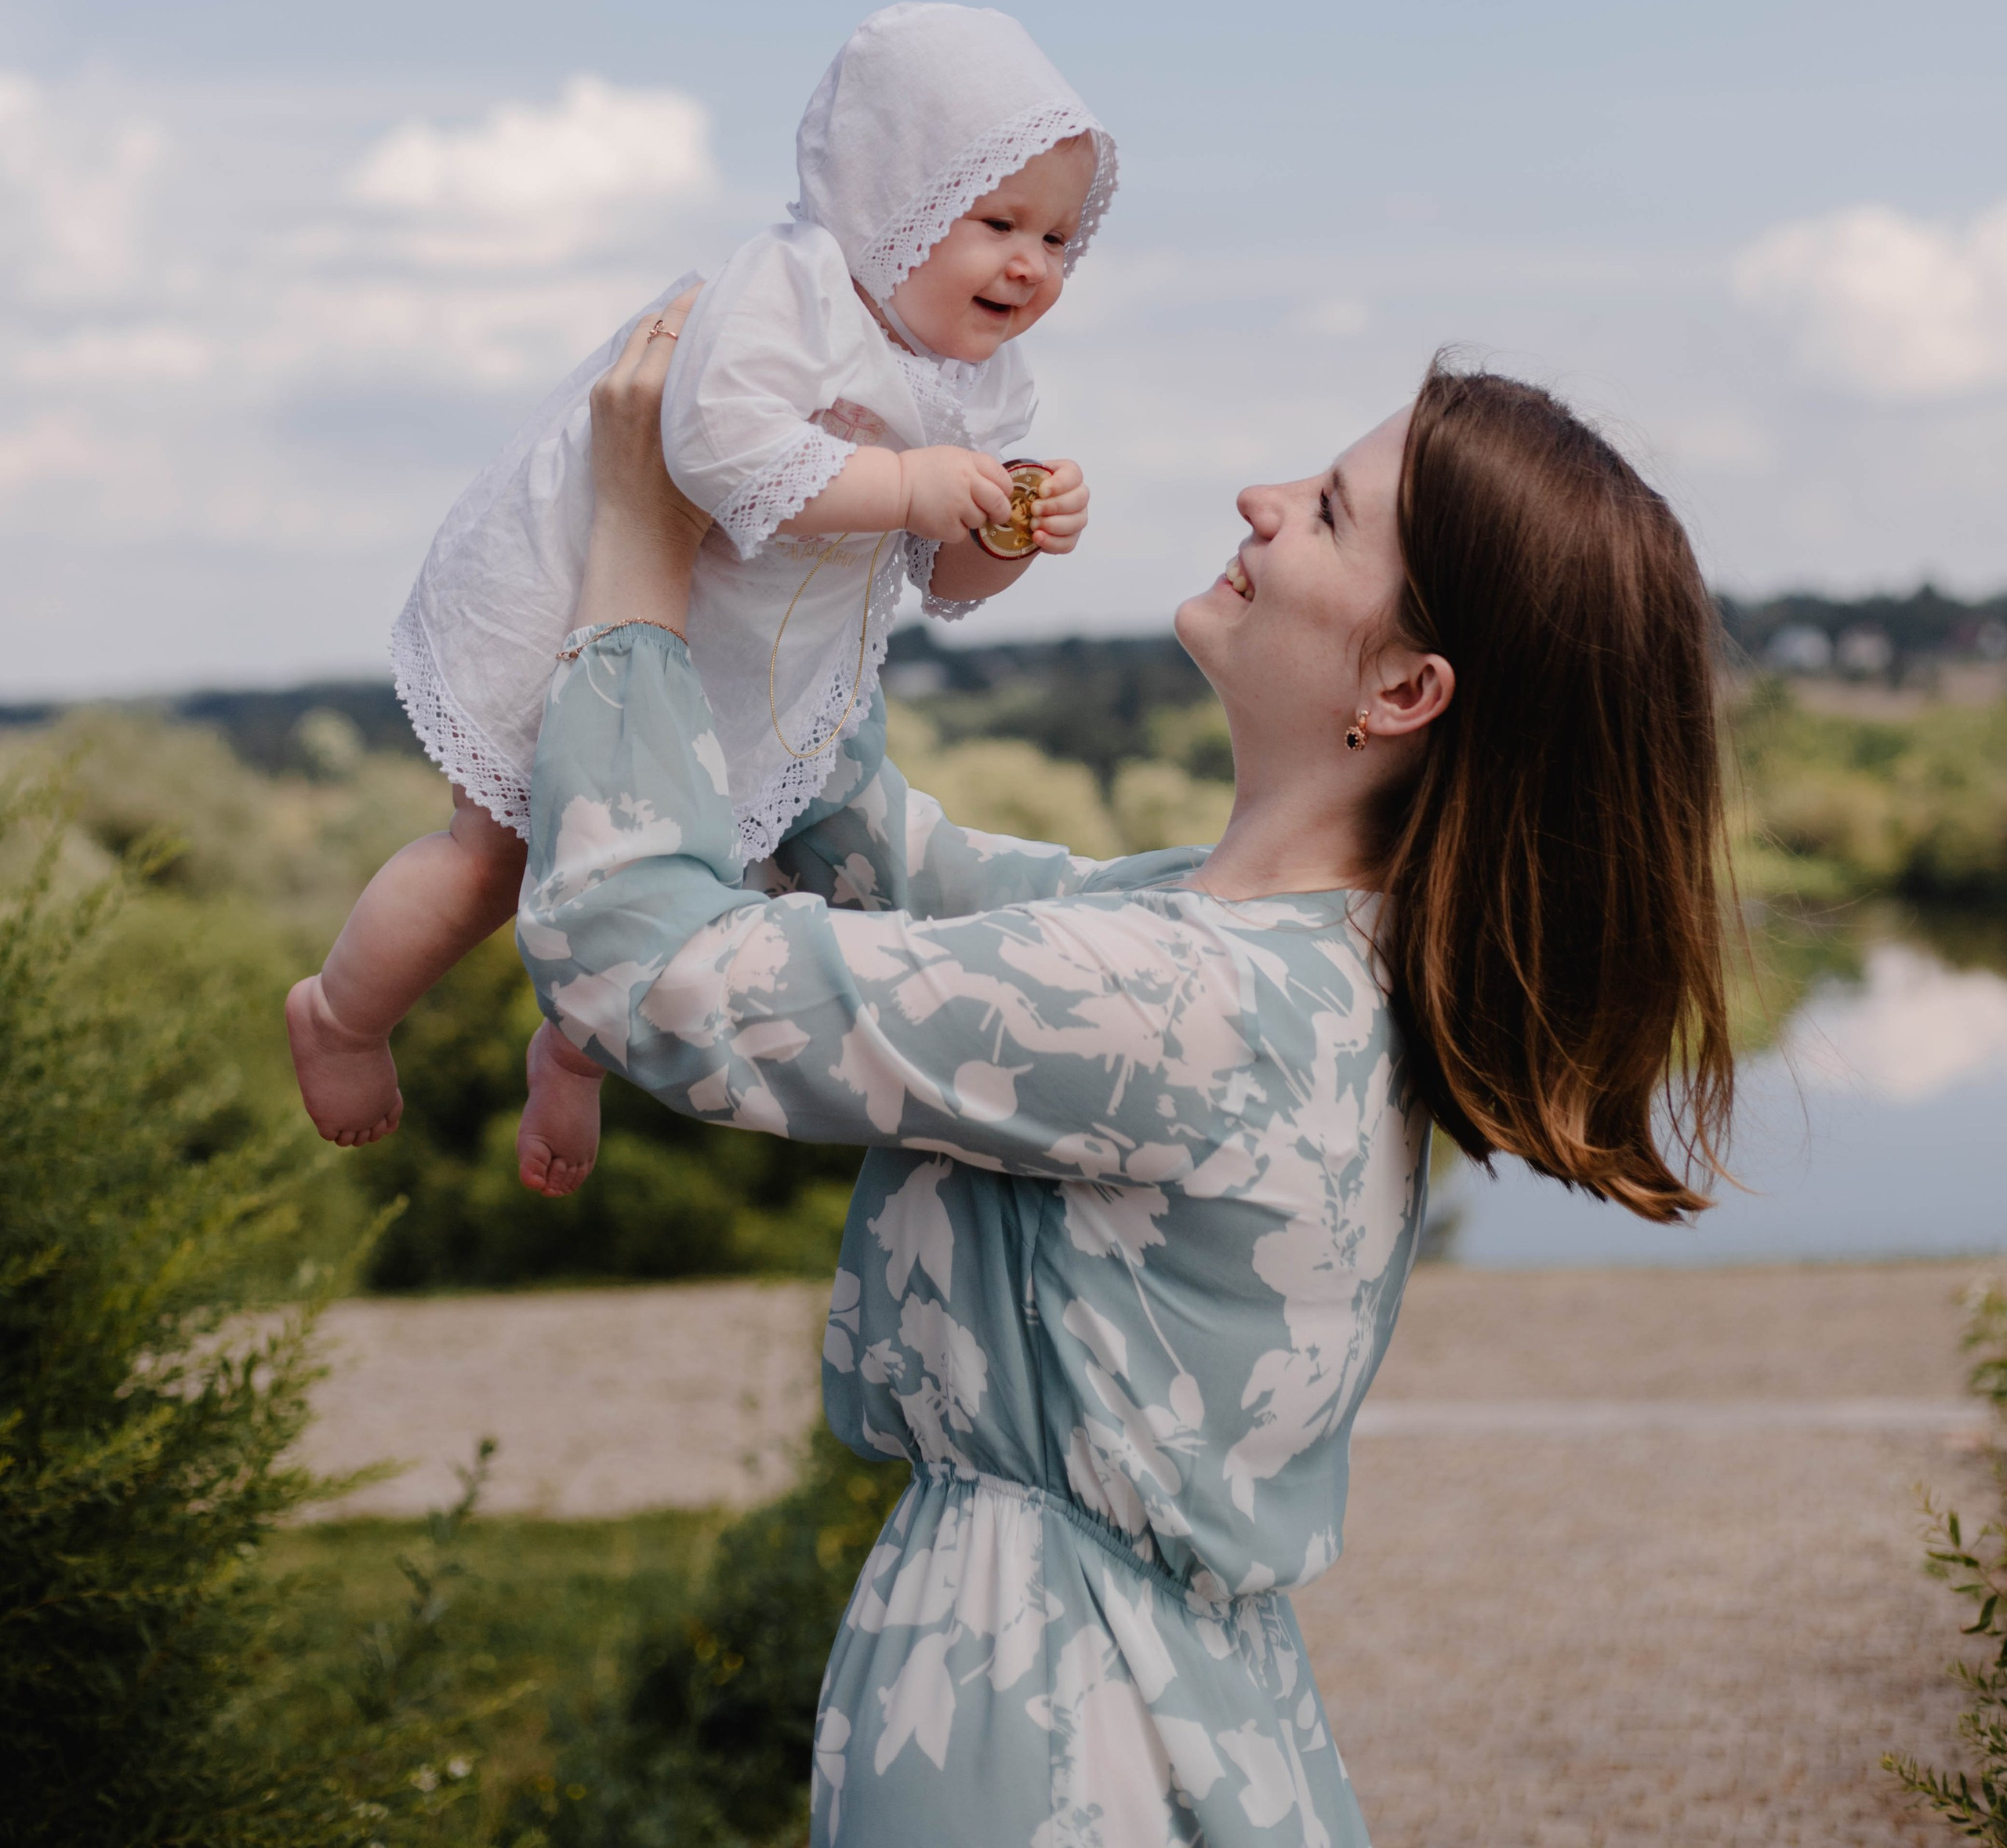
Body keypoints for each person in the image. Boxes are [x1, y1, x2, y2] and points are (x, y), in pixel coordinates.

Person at [515, 314, 1734, 1847]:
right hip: (1136, 1681)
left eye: (1328, 510)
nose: (1257, 497)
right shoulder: (1259, 952)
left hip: (1030, 1705)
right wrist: (815, 509)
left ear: (1404, 693)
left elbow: (644, 971)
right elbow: (880, 863)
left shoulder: (1184, 999)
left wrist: (633, 540)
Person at [286, 2, 1116, 1192]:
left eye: (1060, 237)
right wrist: (906, 481)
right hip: (589, 600)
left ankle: (571, 1057)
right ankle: (342, 1014)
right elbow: (713, 445)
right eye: (999, 221)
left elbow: (947, 580)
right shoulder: (791, 291)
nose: (1033, 263)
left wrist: (1009, 531)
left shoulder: (984, 388)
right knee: (495, 855)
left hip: (723, 659)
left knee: (676, 873)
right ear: (897, 197)